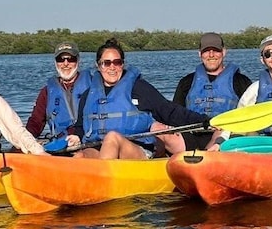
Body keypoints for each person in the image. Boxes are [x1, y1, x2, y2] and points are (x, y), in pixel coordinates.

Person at [66, 38, 210, 159]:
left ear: (122, 64)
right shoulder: (88, 95)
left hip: (136, 150)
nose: (112, 67)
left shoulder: (139, 88)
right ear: (98, 65)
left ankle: (103, 186)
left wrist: (204, 121)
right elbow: (80, 127)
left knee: (112, 138)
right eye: (106, 63)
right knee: (80, 156)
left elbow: (169, 111)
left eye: (117, 62)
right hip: (99, 149)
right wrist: (76, 137)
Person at [166, 32, 252, 153]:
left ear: (224, 52)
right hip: (192, 136)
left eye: (216, 50)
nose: (211, 55)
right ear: (200, 54)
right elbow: (176, 115)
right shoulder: (186, 82)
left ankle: (206, 158)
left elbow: (249, 114)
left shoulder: (241, 81)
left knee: (219, 134)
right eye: (206, 51)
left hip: (225, 137)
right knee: (163, 134)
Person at [25, 41, 92, 141]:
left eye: (71, 59)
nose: (65, 64)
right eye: (60, 59)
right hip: (61, 145)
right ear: (55, 62)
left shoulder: (93, 86)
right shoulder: (47, 92)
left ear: (78, 61)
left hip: (87, 142)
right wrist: (24, 139)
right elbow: (35, 122)